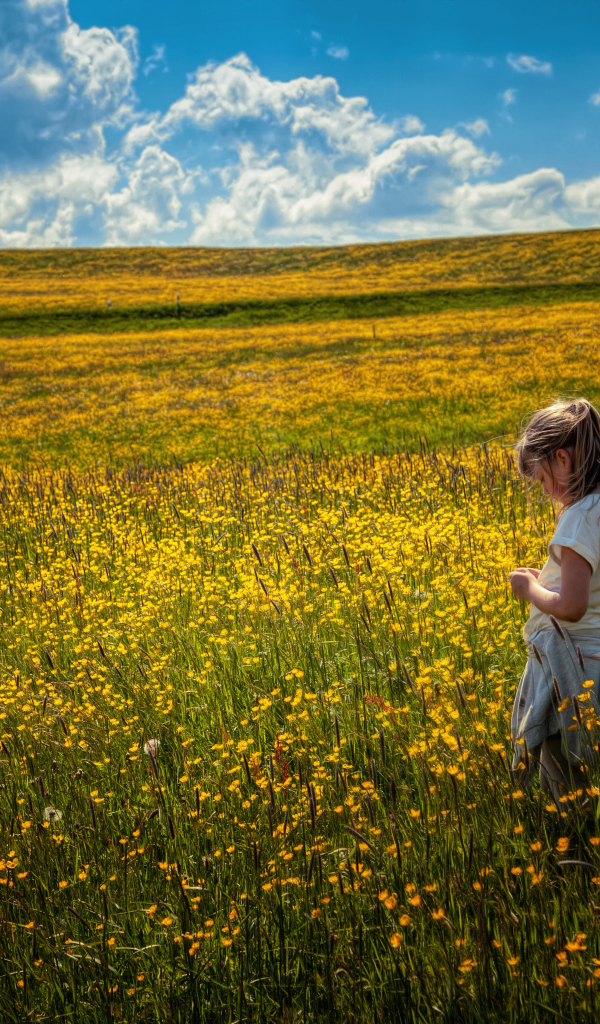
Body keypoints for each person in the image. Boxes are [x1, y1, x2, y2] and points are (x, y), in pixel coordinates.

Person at [509, 397, 600, 811]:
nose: (546, 493)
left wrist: (531, 591)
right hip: (594, 659)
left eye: (543, 481)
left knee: (565, 773)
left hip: (575, 667)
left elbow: (571, 605)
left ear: (563, 459)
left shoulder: (579, 518)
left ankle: (573, 843)